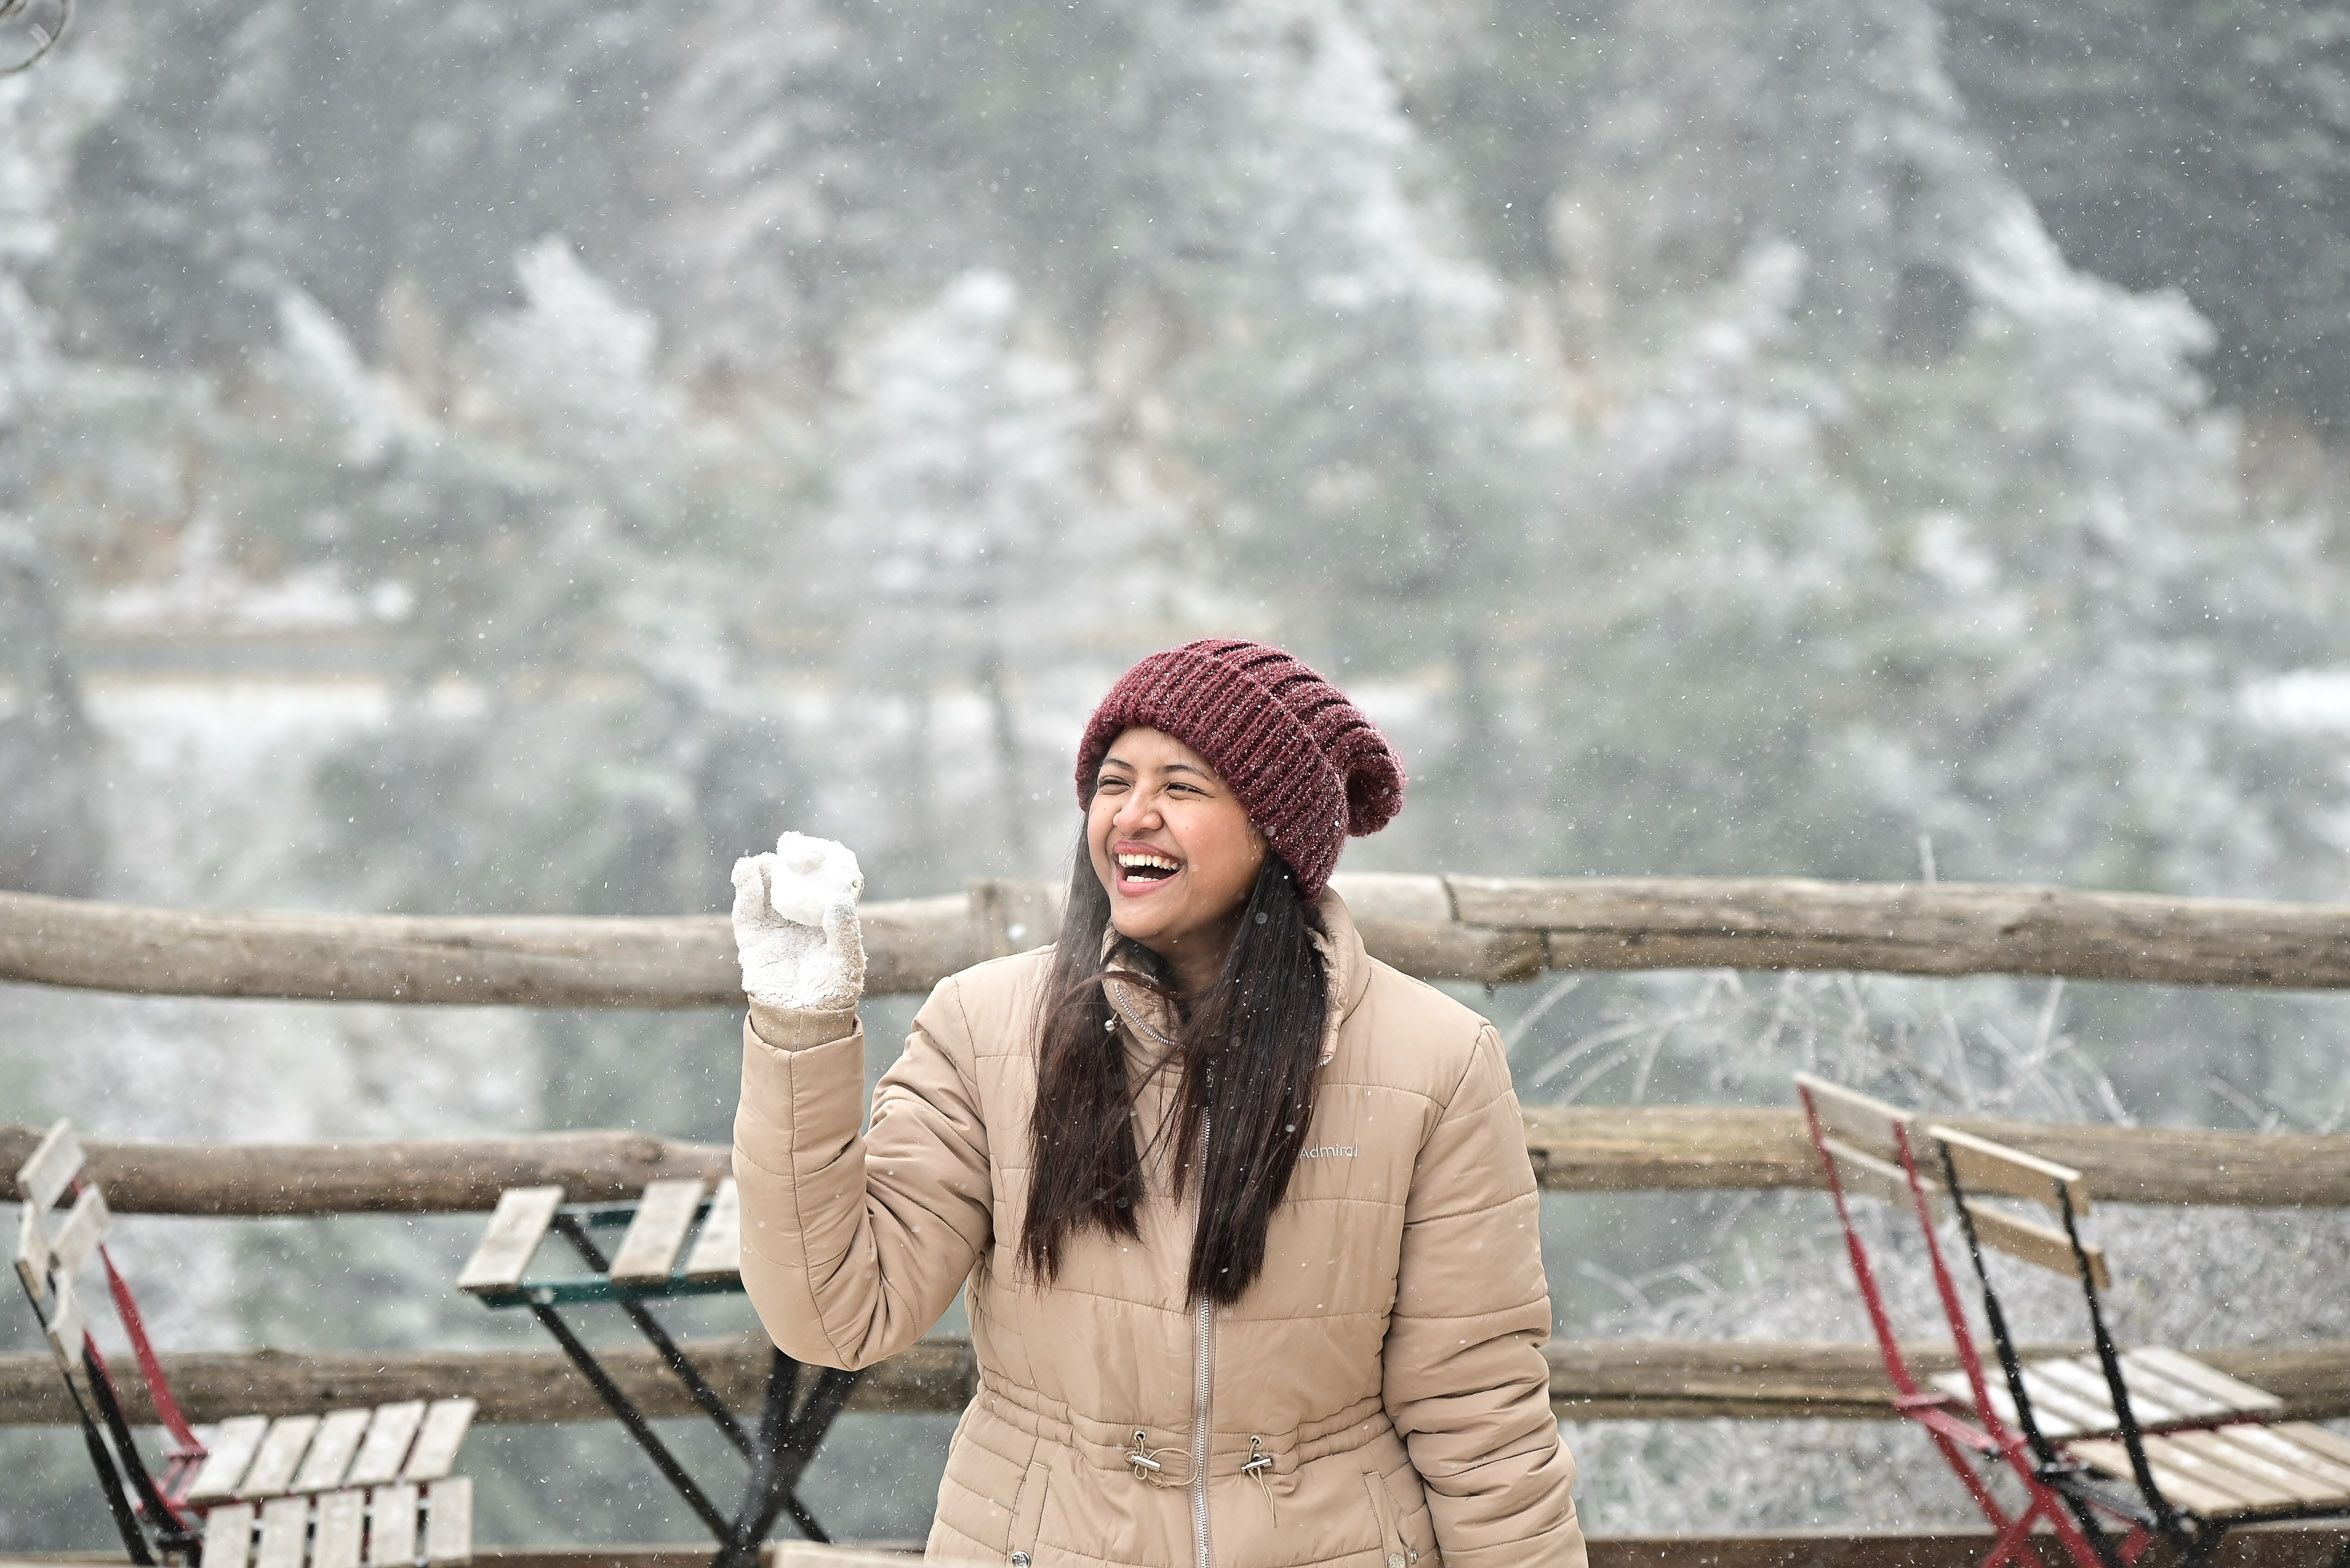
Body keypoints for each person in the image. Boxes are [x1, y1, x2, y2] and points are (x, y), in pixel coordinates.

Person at [729, 637, 1584, 1567]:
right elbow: (837, 1313)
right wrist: (799, 1026)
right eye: (1112, 782)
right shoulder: (984, 1027)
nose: (1133, 816)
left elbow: (1477, 1410)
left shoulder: (1434, 1058)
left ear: (1275, 833)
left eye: (1182, 787)